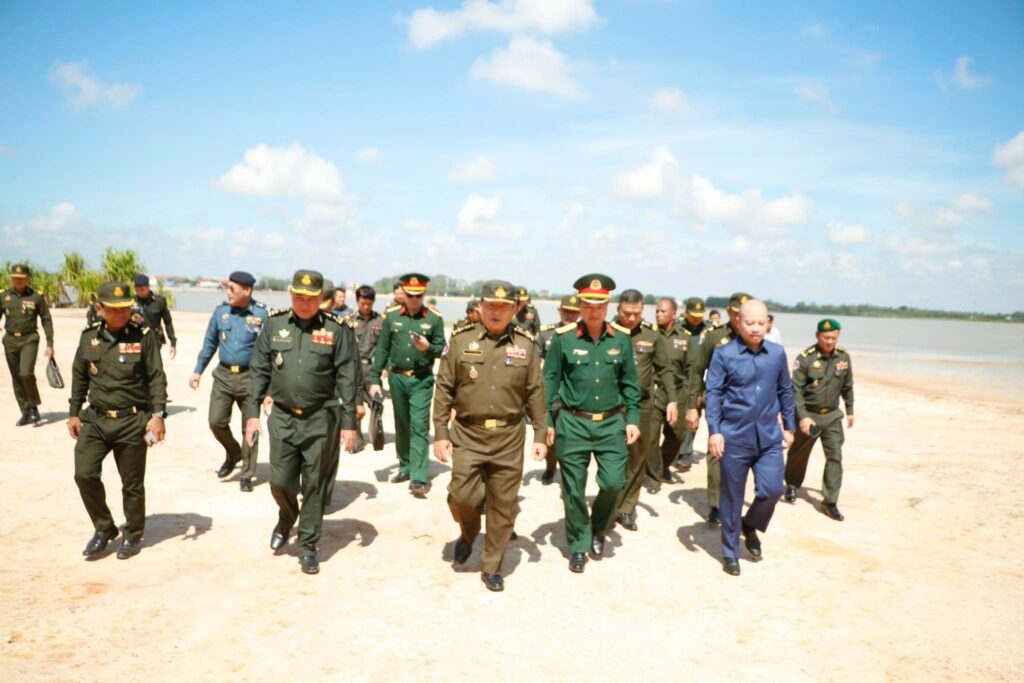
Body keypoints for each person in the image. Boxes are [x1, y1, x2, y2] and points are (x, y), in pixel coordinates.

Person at [433, 280, 548, 592]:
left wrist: (540, 433)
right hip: (468, 433)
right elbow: (444, 388)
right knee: (461, 495)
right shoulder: (460, 340)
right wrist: (441, 432)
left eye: (504, 307)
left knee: (503, 505)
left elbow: (535, 391)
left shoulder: (526, 344)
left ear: (515, 309)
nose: (497, 312)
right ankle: (469, 533)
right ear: (481, 306)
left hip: (509, 436)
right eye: (491, 306)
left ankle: (492, 566)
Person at [244, 270, 359, 575]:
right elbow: (259, 370)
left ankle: (307, 545)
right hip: (282, 417)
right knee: (279, 480)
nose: (304, 302)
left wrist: (349, 423)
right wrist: (252, 414)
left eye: (310, 298)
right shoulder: (275, 324)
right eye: (298, 296)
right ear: (290, 294)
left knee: (314, 484)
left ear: (321, 298)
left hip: (321, 418)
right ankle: (287, 516)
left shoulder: (337, 329)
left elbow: (348, 377)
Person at [544, 274, 641, 573]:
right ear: (581, 306)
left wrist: (632, 419)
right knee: (573, 489)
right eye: (588, 305)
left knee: (613, 483)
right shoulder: (563, 338)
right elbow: (550, 381)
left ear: (607, 306)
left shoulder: (621, 339)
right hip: (573, 423)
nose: (594, 311)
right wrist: (547, 421)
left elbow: (630, 383)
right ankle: (578, 545)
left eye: (599, 306)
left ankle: (599, 526)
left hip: (611, 423)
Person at [67, 281, 168, 559]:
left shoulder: (143, 336)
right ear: (99, 308)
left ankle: (133, 535)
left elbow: (157, 378)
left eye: (125, 308)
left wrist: (158, 416)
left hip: (132, 421)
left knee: (131, 485)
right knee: (84, 473)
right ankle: (104, 527)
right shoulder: (89, 337)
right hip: (96, 419)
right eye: (114, 309)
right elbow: (79, 375)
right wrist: (74, 412)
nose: (121, 314)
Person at [705, 299, 795, 576]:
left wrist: (789, 426)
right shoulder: (724, 354)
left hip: (768, 436)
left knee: (772, 490)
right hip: (734, 436)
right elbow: (713, 393)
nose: (756, 328)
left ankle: (751, 523)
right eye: (749, 323)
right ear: (738, 322)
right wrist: (714, 431)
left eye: (760, 323)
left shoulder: (776, 353)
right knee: (732, 498)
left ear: (768, 323)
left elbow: (785, 390)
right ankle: (730, 553)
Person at [189, 271, 268, 492]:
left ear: (247, 290)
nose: (228, 292)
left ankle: (247, 474)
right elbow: (209, 343)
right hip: (223, 377)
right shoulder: (221, 312)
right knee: (216, 421)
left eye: (232, 288)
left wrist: (268, 386)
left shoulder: (262, 314)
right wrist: (198, 371)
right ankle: (234, 452)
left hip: (250, 378)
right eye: (227, 287)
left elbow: (269, 352)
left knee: (249, 427)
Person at [369, 273, 445, 496]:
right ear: (403, 293)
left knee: (419, 426)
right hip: (397, 378)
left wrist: (428, 348)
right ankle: (405, 466)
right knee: (402, 424)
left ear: (424, 294)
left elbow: (443, 348)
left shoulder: (434, 319)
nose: (413, 299)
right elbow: (382, 349)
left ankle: (419, 478)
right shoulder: (392, 317)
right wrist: (375, 379)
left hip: (421, 379)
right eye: (410, 295)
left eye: (418, 295)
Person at [684, 292, 752, 524]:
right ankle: (715, 504)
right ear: (729, 312)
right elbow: (697, 371)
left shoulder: (756, 337)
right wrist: (692, 406)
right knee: (716, 452)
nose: (740, 319)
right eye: (736, 314)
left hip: (748, 406)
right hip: (719, 403)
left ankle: (733, 498)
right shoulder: (714, 337)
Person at [612, 290, 676, 532]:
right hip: (612, 406)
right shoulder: (607, 332)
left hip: (642, 406)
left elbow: (665, 368)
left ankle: (627, 508)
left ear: (642, 311)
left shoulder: (652, 335)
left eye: (636, 314)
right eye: (626, 313)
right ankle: (611, 502)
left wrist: (672, 399)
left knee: (638, 458)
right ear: (618, 310)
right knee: (614, 457)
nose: (631, 318)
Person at [784, 318, 854, 521]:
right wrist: (803, 417)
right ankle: (792, 485)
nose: (829, 341)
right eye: (826, 337)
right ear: (817, 336)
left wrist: (850, 409)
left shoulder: (843, 357)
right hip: (810, 417)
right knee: (799, 453)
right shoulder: (805, 358)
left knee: (835, 456)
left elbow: (848, 385)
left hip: (832, 417)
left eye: (833, 338)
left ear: (838, 336)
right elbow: (795, 390)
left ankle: (830, 502)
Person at [650, 297, 701, 485]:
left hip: (678, 392)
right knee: (651, 437)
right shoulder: (650, 335)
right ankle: (655, 476)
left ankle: (662, 464)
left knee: (677, 436)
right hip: (655, 390)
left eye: (663, 311)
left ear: (674, 314)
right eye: (657, 311)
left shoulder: (684, 338)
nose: (658, 314)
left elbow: (692, 369)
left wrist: (693, 396)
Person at [534, 293, 580, 484]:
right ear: (559, 311)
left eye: (573, 312)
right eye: (566, 311)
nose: (569, 316)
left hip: (574, 396)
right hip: (551, 394)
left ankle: (570, 472)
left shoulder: (584, 335)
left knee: (572, 438)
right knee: (549, 435)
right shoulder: (546, 333)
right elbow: (535, 362)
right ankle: (550, 467)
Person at [1, 264, 54, 425]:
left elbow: (46, 320)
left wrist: (50, 344)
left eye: (21, 278)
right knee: (16, 377)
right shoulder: (4, 296)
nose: (17, 281)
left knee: (25, 373)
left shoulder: (36, 297)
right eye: (15, 278)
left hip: (29, 339)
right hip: (10, 340)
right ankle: (25, 412)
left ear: (28, 279)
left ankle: (33, 407)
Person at [350, 285, 383, 453]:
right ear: (357, 301)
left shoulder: (380, 321)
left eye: (369, 303)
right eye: (363, 303)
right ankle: (357, 439)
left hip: (372, 368)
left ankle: (376, 434)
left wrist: (385, 367)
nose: (366, 306)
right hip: (353, 368)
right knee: (354, 404)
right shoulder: (349, 321)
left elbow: (385, 347)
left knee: (377, 404)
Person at [131, 274, 177, 359]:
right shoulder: (131, 301)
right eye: (137, 290)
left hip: (155, 340)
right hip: (136, 339)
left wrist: (173, 343)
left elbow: (168, 322)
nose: (140, 292)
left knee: (154, 365)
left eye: (142, 289)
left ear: (148, 287)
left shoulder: (159, 301)